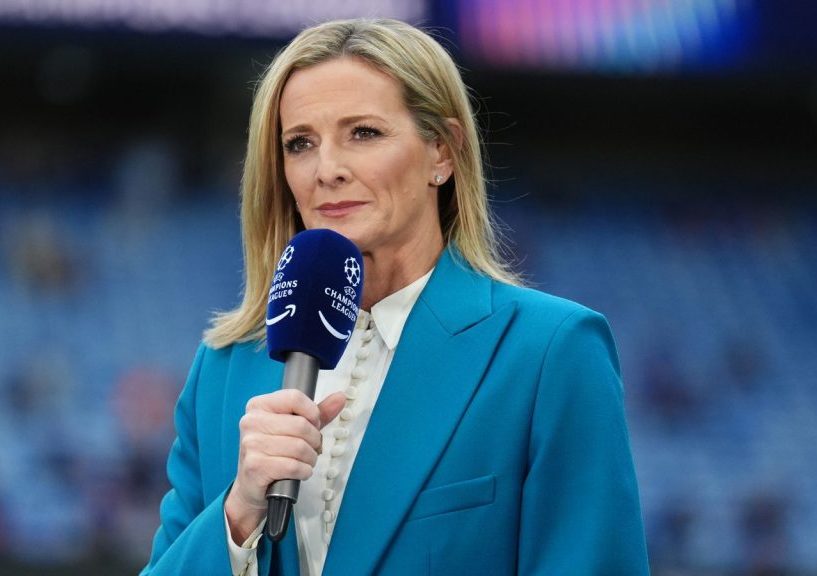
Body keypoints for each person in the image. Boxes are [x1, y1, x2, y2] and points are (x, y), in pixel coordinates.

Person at [141, 18, 649, 575]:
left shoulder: (550, 352)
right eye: (300, 143)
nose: (327, 170)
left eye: (363, 133)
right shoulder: (224, 368)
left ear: (442, 152)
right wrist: (238, 515)